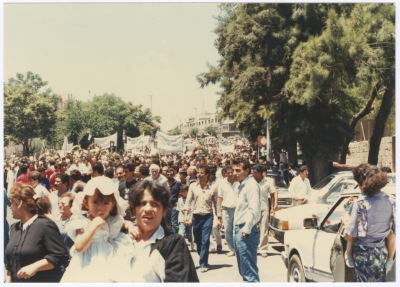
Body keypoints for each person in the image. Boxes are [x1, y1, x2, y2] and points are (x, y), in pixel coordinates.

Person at [112, 180, 199, 282]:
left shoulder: (173, 243)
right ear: (133, 210)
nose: (148, 209)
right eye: (142, 203)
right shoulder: (119, 238)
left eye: (154, 204)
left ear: (164, 210)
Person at [60, 177, 133, 282]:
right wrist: (92, 226)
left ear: (113, 204)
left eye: (106, 203)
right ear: (86, 203)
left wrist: (129, 224)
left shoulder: (111, 220)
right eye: (95, 202)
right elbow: (79, 247)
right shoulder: (83, 223)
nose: (100, 207)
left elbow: (121, 223)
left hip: (110, 259)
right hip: (89, 262)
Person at [5, 183, 69, 282]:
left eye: (11, 203)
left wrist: (35, 267)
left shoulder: (45, 225)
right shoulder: (14, 228)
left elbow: (60, 255)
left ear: (19, 203)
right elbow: (11, 262)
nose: (10, 207)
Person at [344, 164, 396, 282]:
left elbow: (350, 235)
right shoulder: (391, 202)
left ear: (363, 185)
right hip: (382, 252)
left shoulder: (359, 204)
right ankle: (390, 260)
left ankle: (348, 256)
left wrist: (345, 223)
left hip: (363, 254)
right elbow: (393, 233)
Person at [183, 163, 221, 273]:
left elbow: (217, 204)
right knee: (198, 241)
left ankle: (203, 263)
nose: (199, 174)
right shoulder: (192, 186)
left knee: (205, 240)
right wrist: (186, 215)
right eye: (198, 172)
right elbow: (188, 202)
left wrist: (219, 218)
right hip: (196, 217)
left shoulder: (213, 188)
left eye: (202, 172)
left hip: (207, 217)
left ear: (208, 174)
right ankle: (202, 255)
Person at [232, 157, 261, 282]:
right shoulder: (240, 186)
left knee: (249, 273)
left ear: (247, 170)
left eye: (238, 170)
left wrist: (246, 229)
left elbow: (253, 208)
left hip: (246, 231)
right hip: (239, 229)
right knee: (244, 271)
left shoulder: (251, 185)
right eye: (234, 170)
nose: (235, 173)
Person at [252, 164, 276, 258]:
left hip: (264, 208)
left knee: (264, 230)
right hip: (253, 209)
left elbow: (273, 194)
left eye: (254, 172)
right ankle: (253, 248)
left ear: (260, 173)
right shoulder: (251, 181)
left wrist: (273, 208)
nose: (252, 174)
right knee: (252, 229)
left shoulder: (268, 181)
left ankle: (263, 249)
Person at [218, 165, 238, 257]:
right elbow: (220, 197)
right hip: (226, 209)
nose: (230, 174)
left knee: (237, 229)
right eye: (228, 172)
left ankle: (238, 248)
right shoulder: (222, 183)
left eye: (232, 172)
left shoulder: (239, 182)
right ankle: (231, 249)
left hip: (238, 209)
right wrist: (221, 209)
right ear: (225, 173)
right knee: (227, 230)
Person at [54, 193, 75, 273]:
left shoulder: (77, 222)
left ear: (71, 206)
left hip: (70, 263)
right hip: (56, 263)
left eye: (63, 203)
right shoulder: (54, 222)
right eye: (59, 203)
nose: (60, 205)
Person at [177, 185, 194, 250]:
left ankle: (191, 241)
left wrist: (191, 219)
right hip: (181, 218)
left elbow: (192, 211)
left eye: (184, 191)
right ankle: (181, 246)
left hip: (189, 218)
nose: (183, 193)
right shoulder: (179, 200)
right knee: (181, 233)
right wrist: (178, 219)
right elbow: (179, 210)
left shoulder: (191, 200)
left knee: (189, 233)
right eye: (182, 191)